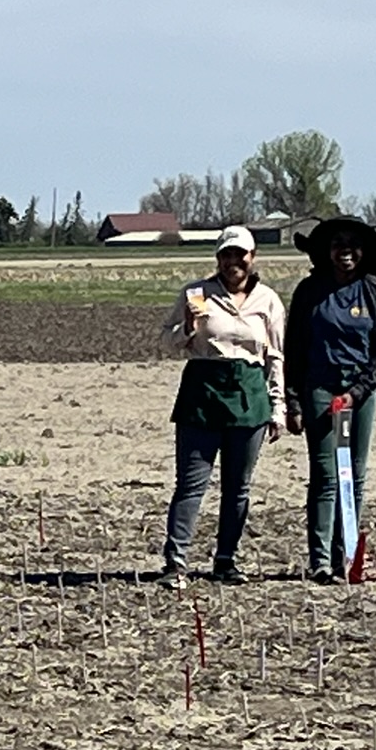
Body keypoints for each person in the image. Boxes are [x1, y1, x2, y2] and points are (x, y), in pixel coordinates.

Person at [155, 225, 286, 587]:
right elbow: (167, 342)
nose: (233, 262)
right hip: (203, 395)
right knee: (191, 484)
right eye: (226, 255)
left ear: (252, 258)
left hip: (249, 396)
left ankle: (226, 560)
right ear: (218, 258)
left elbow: (275, 356)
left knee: (238, 487)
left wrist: (278, 407)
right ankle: (176, 563)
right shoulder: (196, 293)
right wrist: (188, 327)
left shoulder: (268, 301)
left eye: (240, 255)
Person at [283, 217, 376, 583]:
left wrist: (359, 391)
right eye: (338, 245)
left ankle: (349, 556)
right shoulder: (310, 290)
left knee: (354, 474)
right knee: (324, 476)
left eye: (352, 246)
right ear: (327, 251)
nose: (345, 252)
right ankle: (321, 561)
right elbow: (294, 347)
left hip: (361, 392)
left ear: (362, 251)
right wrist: (293, 401)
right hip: (319, 389)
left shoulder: (375, 290)